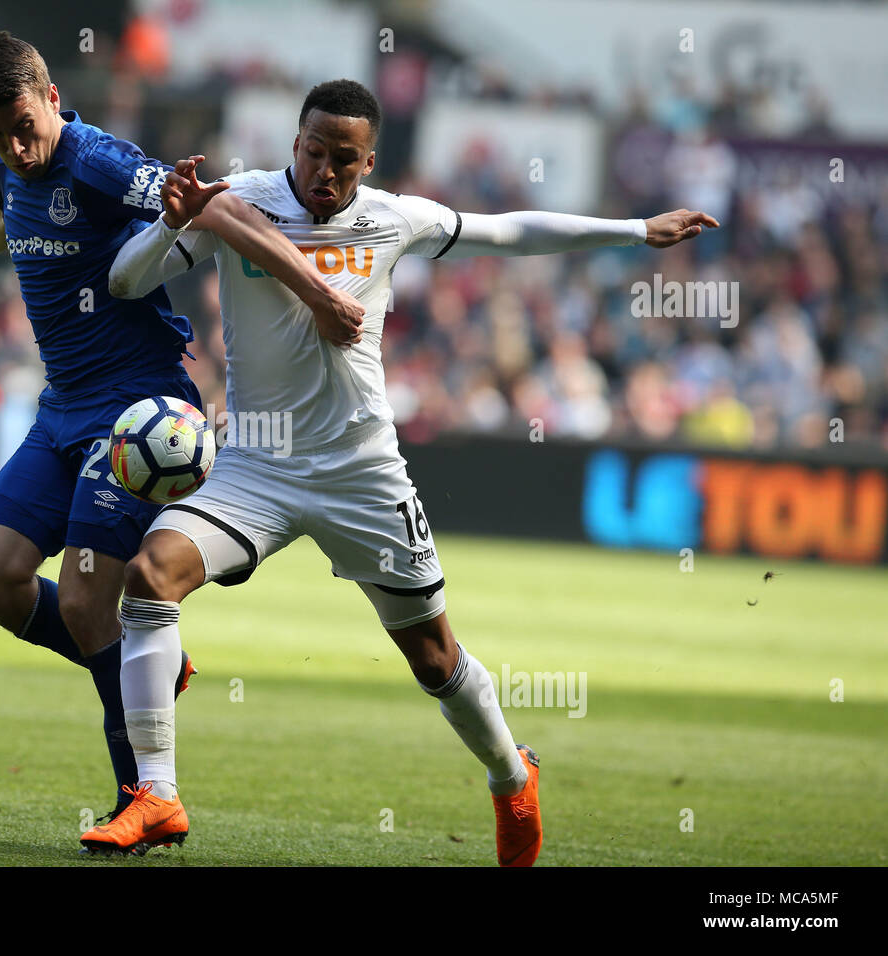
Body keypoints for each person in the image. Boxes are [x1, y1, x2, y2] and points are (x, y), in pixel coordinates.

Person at [84, 79, 718, 863]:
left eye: (343, 160)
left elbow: (508, 231)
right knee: (150, 576)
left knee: (434, 659)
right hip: (255, 463)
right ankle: (157, 795)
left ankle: (510, 774)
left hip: (362, 474)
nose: (325, 170)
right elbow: (124, 280)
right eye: (314, 151)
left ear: (367, 162)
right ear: (295, 143)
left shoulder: (391, 218)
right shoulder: (236, 203)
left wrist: (633, 230)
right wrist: (167, 226)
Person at [0, 32, 364, 823]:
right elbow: (5, 209)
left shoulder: (95, 160)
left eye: (23, 126)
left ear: (54, 99)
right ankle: (145, 666)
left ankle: (146, 797)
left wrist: (320, 293)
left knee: (94, 603)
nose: (15, 147)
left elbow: (215, 207)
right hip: (62, 408)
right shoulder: (11, 160)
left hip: (136, 411)